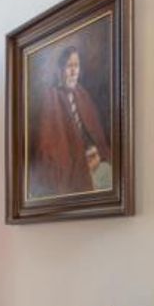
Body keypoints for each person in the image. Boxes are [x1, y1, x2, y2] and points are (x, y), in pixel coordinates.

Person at [29, 46, 112, 198]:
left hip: (93, 158)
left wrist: (96, 154)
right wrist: (84, 162)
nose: (74, 72)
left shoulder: (82, 94)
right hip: (71, 166)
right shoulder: (50, 98)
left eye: (76, 66)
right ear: (60, 69)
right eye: (69, 66)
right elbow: (48, 151)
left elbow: (96, 135)